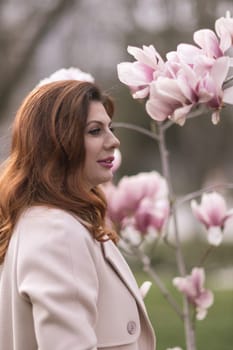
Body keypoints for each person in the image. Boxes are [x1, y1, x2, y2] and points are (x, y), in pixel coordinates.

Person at [0, 79, 156, 350]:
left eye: (111, 128)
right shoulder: (57, 232)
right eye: (95, 131)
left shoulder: (51, 221)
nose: (114, 141)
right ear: (55, 142)